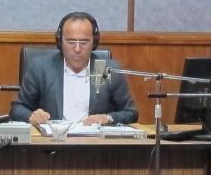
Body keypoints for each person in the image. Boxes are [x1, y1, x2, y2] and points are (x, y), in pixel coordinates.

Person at [10, 11, 138, 126]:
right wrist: (32, 116)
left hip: (95, 142)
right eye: (71, 42)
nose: (77, 49)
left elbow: (131, 113)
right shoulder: (41, 68)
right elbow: (17, 109)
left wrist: (107, 118)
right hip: (52, 142)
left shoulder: (106, 69)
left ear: (94, 42)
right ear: (60, 41)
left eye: (84, 42)